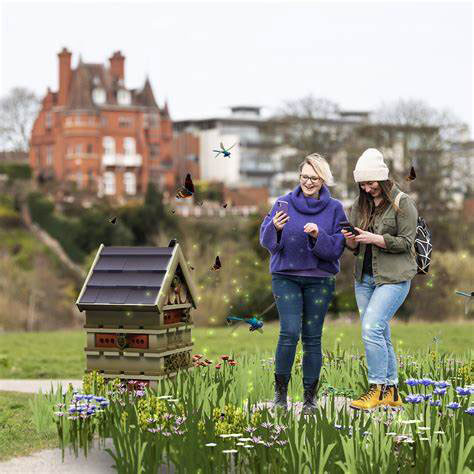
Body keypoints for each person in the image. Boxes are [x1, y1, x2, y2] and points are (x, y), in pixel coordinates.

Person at [259, 153, 347, 415]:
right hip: (285, 277)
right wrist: (273, 227)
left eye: (314, 178)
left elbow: (336, 249)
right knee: (289, 332)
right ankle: (280, 395)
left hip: (319, 280)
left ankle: (309, 399)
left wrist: (319, 236)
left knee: (312, 338)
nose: (308, 182)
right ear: (299, 177)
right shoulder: (282, 203)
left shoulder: (335, 209)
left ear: (323, 180)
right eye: (305, 176)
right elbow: (266, 242)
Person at [342, 148, 418, 410]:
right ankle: (392, 391)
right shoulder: (359, 205)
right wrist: (351, 241)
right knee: (380, 332)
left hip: (393, 278)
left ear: (383, 179)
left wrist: (376, 239)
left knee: (371, 328)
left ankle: (376, 388)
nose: (366, 188)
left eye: (371, 182)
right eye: (362, 183)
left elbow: (407, 243)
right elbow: (354, 246)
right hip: (364, 278)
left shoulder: (403, 203)